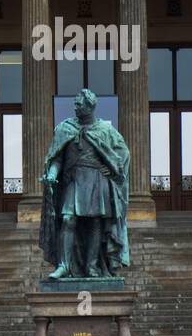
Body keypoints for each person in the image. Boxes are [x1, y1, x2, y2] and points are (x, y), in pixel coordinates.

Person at [39, 89, 130, 279]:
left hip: (97, 179)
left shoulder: (105, 130)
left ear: (90, 107)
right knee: (67, 219)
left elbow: (123, 154)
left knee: (94, 223)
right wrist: (52, 175)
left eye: (79, 104)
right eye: (75, 104)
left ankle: (92, 267)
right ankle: (64, 265)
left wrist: (113, 171)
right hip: (74, 179)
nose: (75, 107)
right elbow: (57, 158)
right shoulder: (65, 128)